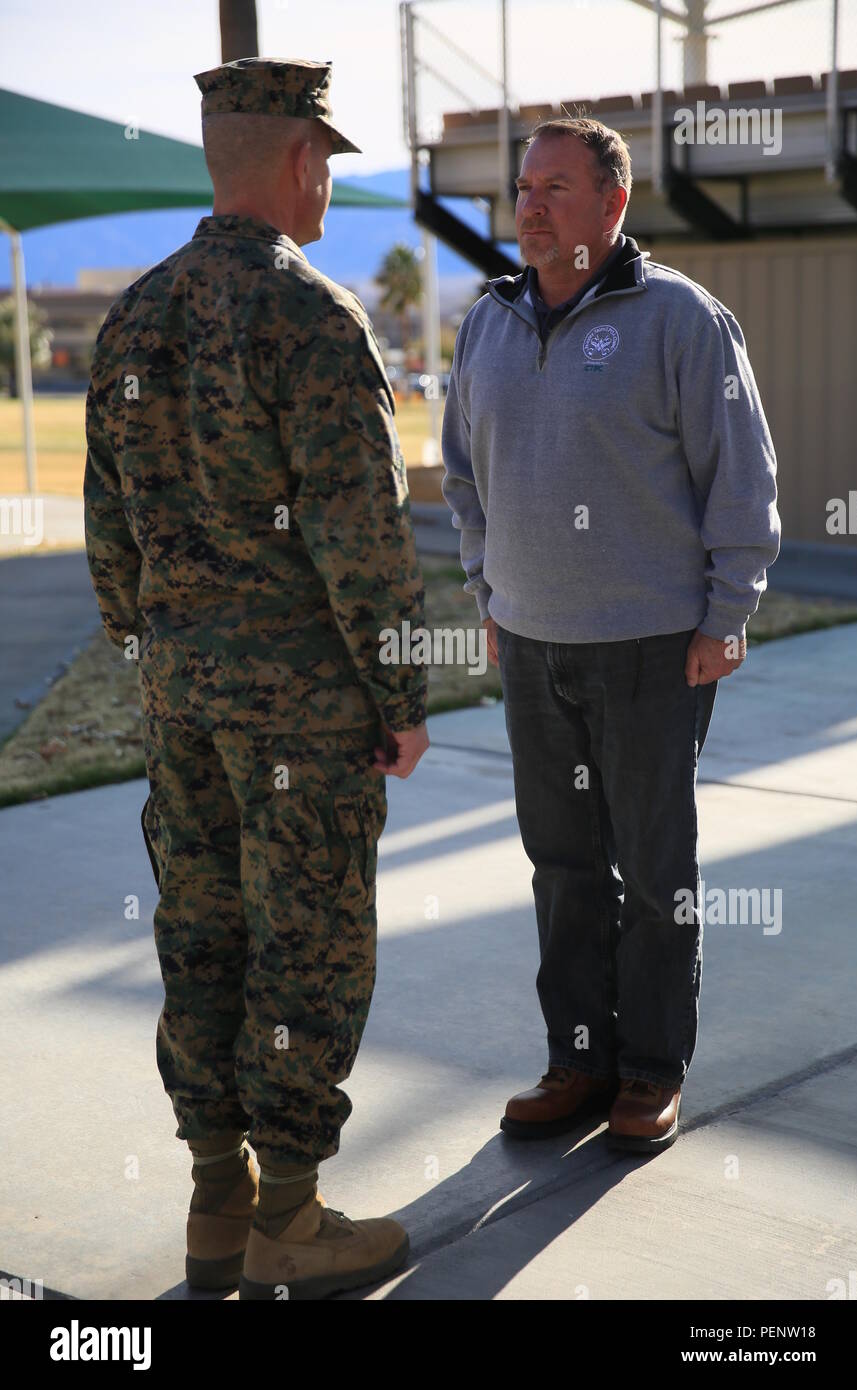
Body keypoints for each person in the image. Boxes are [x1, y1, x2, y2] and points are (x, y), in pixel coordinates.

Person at [84, 57, 429, 1301]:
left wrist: (159, 649)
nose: (330, 180)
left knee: (201, 932)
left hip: (179, 697)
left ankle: (212, 1204)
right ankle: (290, 1212)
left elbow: (109, 533)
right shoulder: (311, 318)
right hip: (303, 707)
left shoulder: (133, 316)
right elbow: (361, 539)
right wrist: (398, 697)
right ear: (296, 162)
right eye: (327, 159)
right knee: (307, 941)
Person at [441, 116, 781, 1155]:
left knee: (650, 867)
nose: (528, 204)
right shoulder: (487, 320)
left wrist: (725, 617)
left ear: (611, 204)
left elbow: (743, 478)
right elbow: (461, 473)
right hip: (531, 645)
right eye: (522, 186)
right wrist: (487, 589)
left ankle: (648, 1071)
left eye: (552, 186)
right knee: (561, 863)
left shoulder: (680, 318)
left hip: (649, 645)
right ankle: (578, 1057)